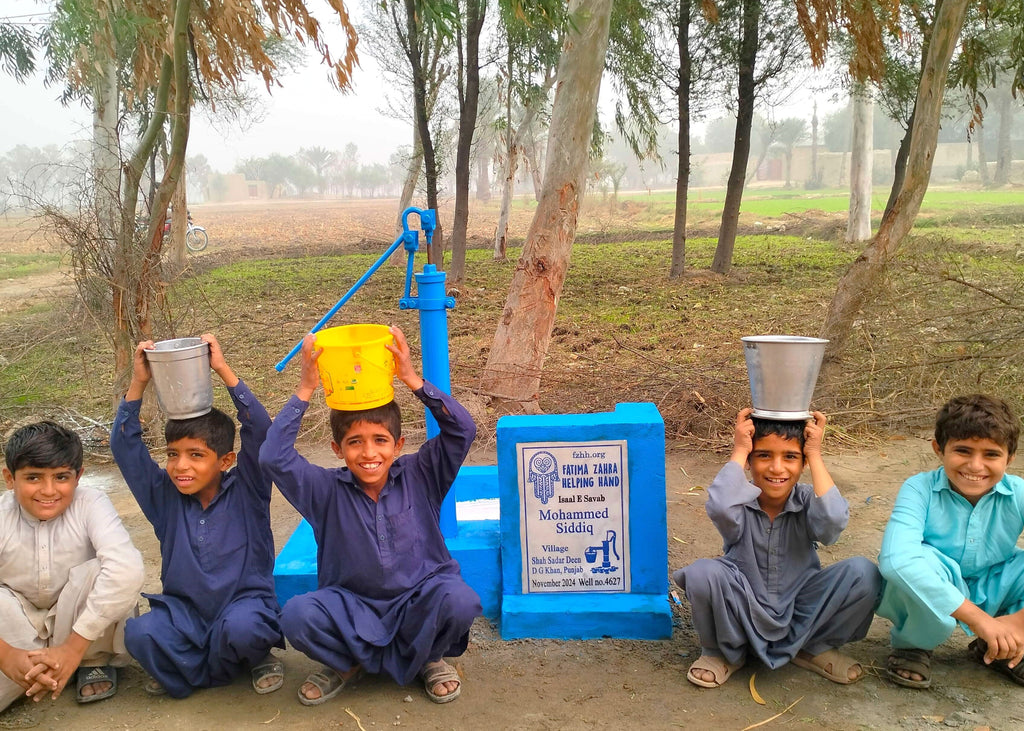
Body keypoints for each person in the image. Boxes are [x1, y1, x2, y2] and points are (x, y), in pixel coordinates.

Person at [259, 326, 481, 706]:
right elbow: (272, 457)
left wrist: (412, 379)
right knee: (297, 615)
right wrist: (305, 389)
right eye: (354, 443)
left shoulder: (421, 473)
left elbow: (463, 429)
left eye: (380, 441)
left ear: (398, 444)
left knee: (458, 599)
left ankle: (428, 658)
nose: (368, 453)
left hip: (419, 598)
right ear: (337, 448)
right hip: (351, 606)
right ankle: (345, 664)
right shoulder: (324, 490)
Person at [109, 334, 284, 698]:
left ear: (225, 461)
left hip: (242, 607)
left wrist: (221, 369)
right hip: (184, 615)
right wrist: (140, 381)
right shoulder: (164, 499)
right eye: (173, 454)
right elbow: (125, 447)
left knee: (244, 629)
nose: (180, 466)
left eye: (196, 455)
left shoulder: (248, 491)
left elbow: (261, 430)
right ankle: (227, 664)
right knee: (140, 633)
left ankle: (234, 658)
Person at [672, 408, 881, 688]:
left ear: (803, 464)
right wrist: (739, 449)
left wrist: (815, 454)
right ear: (749, 461)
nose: (777, 468)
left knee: (863, 573)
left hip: (800, 606)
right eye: (763, 455)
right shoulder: (739, 501)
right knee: (702, 573)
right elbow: (719, 506)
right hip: (743, 605)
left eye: (791, 457)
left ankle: (813, 647)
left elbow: (832, 524)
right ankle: (724, 653)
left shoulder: (808, 500)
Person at [879, 394, 1024, 689]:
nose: (975, 465)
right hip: (938, 584)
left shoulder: (1019, 492)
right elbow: (897, 560)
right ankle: (914, 645)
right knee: (918, 564)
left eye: (991, 454)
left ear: (1010, 457)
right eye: (963, 450)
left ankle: (1000, 645)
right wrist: (979, 619)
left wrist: (1019, 622)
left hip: (994, 584)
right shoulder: (919, 489)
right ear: (939, 449)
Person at [0, 421, 144, 710]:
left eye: (61, 477)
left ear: (79, 476)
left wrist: (72, 649)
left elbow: (127, 569)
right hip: (18, 623)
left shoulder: (91, 503)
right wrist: (5, 656)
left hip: (78, 620)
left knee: (110, 571)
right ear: (9, 478)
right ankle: (38, 668)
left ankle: (91, 659)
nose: (48, 490)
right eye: (33, 478)